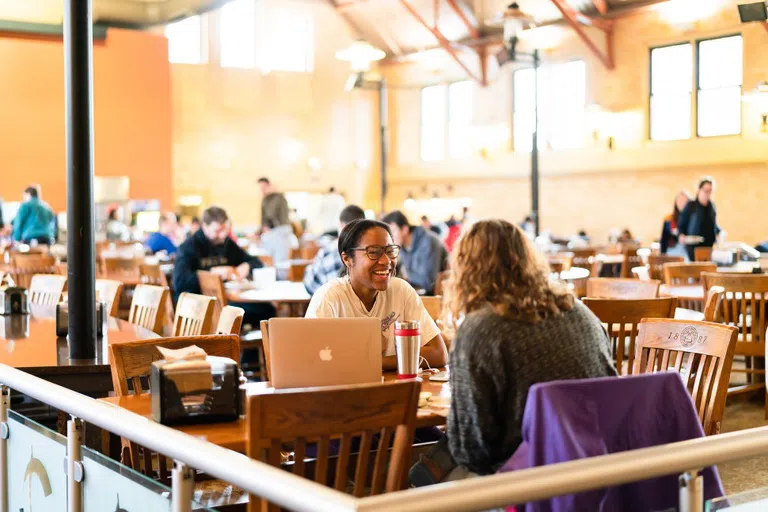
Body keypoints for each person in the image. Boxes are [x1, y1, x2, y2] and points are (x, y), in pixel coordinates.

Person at [444, 220, 616, 476]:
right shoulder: (579, 311)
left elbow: (472, 451)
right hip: (601, 469)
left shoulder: (482, 329)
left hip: (530, 481)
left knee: (427, 476)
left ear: (466, 269)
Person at [305, 219, 448, 370]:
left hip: (395, 390)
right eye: (373, 252)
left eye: (390, 251)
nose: (386, 261)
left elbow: (439, 354)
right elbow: (310, 362)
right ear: (347, 259)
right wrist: (403, 359)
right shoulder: (329, 298)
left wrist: (374, 362)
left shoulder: (401, 290)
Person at [173, 206, 274, 325]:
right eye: (217, 231)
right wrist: (211, 274)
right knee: (265, 311)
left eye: (225, 230)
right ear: (205, 226)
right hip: (197, 307)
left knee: (267, 308)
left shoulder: (227, 244)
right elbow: (180, 283)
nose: (222, 235)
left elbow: (256, 262)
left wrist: (246, 266)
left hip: (224, 302)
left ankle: (240, 341)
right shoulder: (189, 247)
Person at [303, 204, 366, 294]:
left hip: (330, 303)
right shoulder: (369, 253)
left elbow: (310, 285)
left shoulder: (327, 252)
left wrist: (310, 268)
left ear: (341, 225)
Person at [382, 210, 448, 295]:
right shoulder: (401, 246)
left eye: (392, 232)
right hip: (417, 294)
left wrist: (407, 273)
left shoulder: (429, 242)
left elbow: (428, 282)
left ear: (404, 229)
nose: (390, 237)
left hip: (437, 297)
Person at [678, 177, 721, 261]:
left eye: (710, 191)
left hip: (708, 249)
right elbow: (681, 225)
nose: (708, 194)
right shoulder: (691, 205)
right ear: (699, 190)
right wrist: (681, 235)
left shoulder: (712, 207)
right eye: (706, 191)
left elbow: (713, 226)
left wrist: (720, 232)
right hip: (693, 249)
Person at [660, 191, 692, 258]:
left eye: (685, 201)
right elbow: (664, 240)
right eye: (680, 201)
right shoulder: (669, 219)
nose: (682, 203)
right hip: (672, 252)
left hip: (688, 251)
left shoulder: (693, 219)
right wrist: (663, 255)